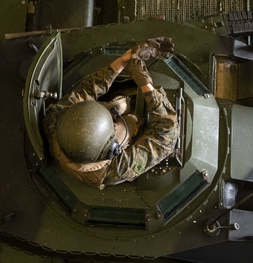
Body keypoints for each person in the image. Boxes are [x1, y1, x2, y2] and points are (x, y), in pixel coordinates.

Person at [43, 38, 180, 189]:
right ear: (111, 150)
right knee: (130, 121)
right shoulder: (114, 170)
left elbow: (89, 88)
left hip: (93, 135)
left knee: (119, 105)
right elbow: (166, 135)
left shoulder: (57, 119)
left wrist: (125, 59)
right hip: (109, 145)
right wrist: (145, 84)